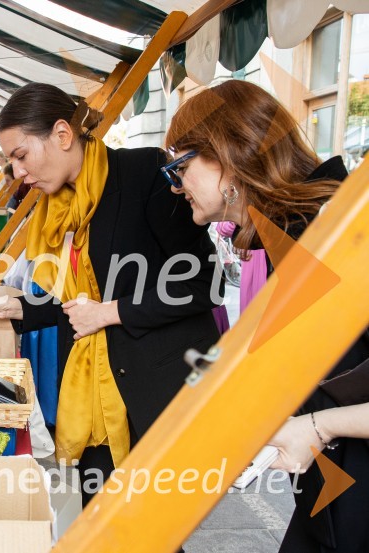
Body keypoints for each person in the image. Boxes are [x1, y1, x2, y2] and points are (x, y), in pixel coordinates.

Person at [0, 83, 221, 507]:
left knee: (152, 527)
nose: (17, 173)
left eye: (21, 156)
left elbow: (204, 283)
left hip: (157, 388)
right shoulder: (59, 205)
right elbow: (80, 303)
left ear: (63, 135)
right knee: (104, 520)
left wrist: (111, 313)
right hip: (95, 390)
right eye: (11, 161)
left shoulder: (145, 175)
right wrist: (15, 307)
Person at [164, 79, 369, 553]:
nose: (176, 187)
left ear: (229, 155)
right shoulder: (291, 231)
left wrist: (319, 427)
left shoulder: (337, 229)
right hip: (332, 489)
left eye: (180, 167)